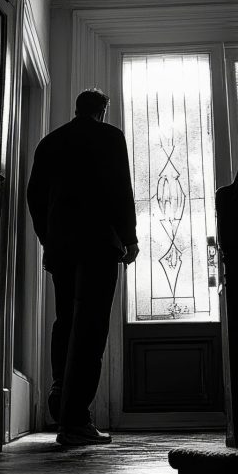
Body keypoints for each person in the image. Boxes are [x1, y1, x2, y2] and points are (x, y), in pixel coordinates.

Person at [27, 88, 139, 446]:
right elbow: (120, 188)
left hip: (61, 245)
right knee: (91, 327)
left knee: (66, 322)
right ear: (102, 111)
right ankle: (76, 419)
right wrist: (129, 237)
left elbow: (35, 196)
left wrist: (48, 238)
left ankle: (61, 400)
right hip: (98, 243)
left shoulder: (50, 142)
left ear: (76, 109)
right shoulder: (109, 137)